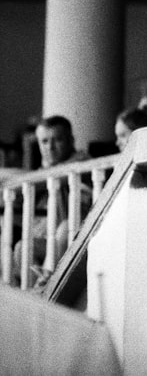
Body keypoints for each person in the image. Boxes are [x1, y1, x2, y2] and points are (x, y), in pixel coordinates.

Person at [11, 116, 91, 287]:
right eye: (44, 142)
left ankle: (46, 290)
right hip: (49, 237)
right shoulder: (43, 171)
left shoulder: (83, 161)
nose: (50, 148)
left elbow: (54, 176)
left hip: (75, 236)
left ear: (71, 140)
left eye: (58, 140)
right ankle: (36, 296)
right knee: (22, 247)